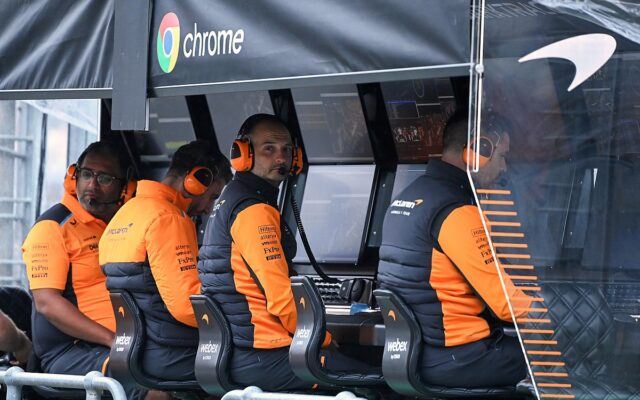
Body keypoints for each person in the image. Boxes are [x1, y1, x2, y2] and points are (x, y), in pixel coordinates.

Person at [377, 111, 532, 388]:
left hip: (417, 357)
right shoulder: (457, 210)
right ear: (479, 149)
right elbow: (506, 305)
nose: (504, 167)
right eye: (502, 156)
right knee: (563, 357)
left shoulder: (405, 198)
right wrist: (556, 314)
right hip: (462, 359)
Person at [100, 140, 232, 382]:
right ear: (196, 180)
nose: (208, 208)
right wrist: (237, 313)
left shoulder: (125, 214)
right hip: (173, 353)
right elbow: (187, 307)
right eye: (212, 196)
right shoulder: (169, 218)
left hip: (136, 351)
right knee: (247, 364)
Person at [21, 141, 134, 376]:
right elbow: (46, 302)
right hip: (72, 351)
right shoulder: (52, 228)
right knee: (147, 383)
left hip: (122, 341)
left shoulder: (121, 224)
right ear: (74, 176)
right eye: (86, 174)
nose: (92, 185)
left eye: (104, 178)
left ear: (125, 188)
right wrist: (111, 339)